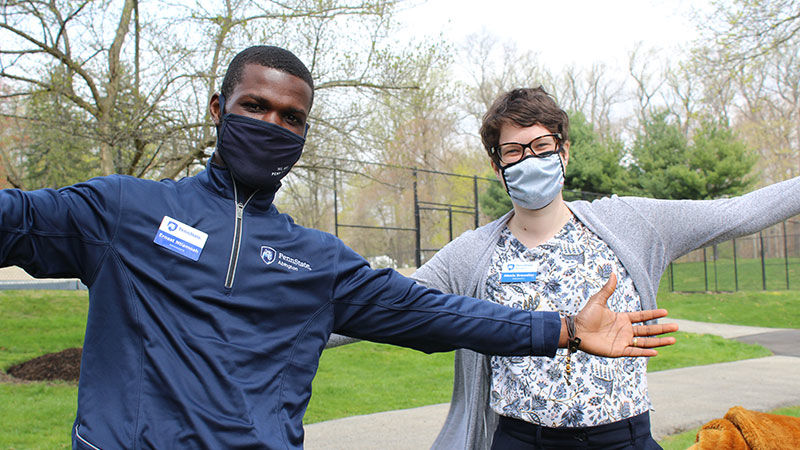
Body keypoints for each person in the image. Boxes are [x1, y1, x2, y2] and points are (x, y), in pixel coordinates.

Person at [0, 47, 676, 449]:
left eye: (291, 118)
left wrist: (560, 328)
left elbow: (435, 315)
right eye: (255, 107)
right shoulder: (124, 212)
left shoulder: (314, 262)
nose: (272, 126)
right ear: (216, 110)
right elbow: (16, 219)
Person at [412, 86, 800, 449]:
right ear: (497, 167)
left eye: (541, 145)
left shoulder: (631, 222)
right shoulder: (472, 253)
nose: (529, 159)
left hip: (624, 436)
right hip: (521, 439)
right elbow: (381, 302)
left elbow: (738, 212)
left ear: (563, 152)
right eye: (513, 151)